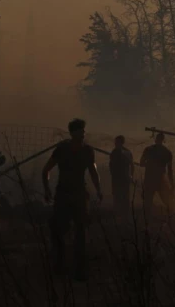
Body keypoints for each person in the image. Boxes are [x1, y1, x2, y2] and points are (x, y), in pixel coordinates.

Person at [42, 118, 104, 281]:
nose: (83, 133)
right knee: (59, 230)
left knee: (80, 231)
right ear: (73, 132)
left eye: (83, 130)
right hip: (63, 194)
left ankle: (79, 269)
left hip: (79, 194)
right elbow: (46, 169)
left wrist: (98, 189)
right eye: (80, 130)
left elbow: (93, 171)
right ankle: (59, 264)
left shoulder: (88, 151)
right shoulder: (62, 149)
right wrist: (47, 189)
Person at [141, 132, 173, 218]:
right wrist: (171, 183)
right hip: (161, 179)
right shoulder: (167, 152)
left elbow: (141, 163)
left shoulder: (148, 149)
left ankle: (146, 221)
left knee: (147, 202)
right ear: (163, 140)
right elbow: (170, 170)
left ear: (155, 140)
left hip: (150, 179)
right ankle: (171, 217)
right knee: (167, 201)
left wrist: (148, 164)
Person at [109, 135, 134, 216]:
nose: (115, 143)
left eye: (117, 142)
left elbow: (132, 165)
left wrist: (131, 176)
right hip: (118, 179)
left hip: (123, 179)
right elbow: (111, 166)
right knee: (118, 198)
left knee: (123, 198)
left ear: (121, 142)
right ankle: (119, 216)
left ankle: (123, 216)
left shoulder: (125, 152)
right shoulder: (115, 152)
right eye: (115, 142)